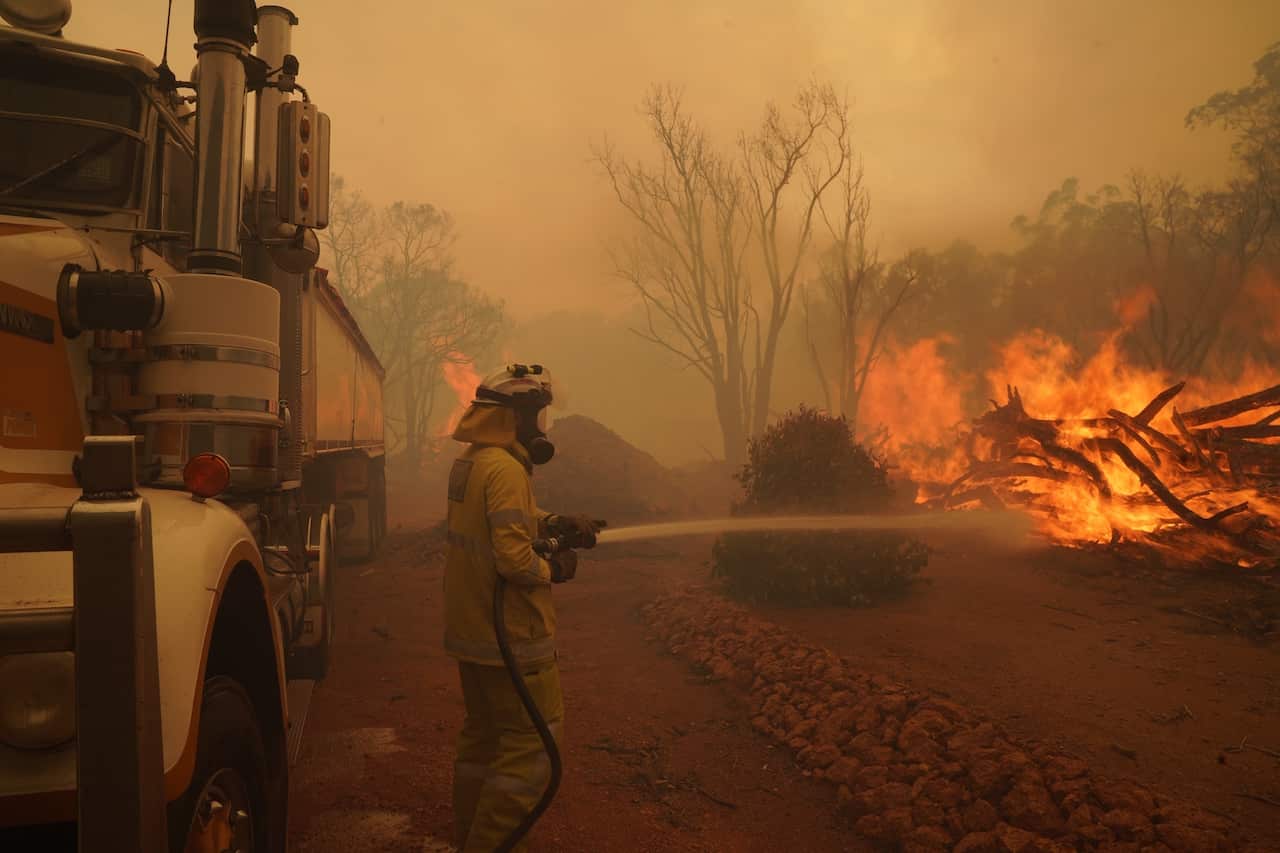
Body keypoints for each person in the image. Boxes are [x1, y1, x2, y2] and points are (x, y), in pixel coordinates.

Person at [443, 363, 598, 852]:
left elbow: (509, 522)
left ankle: (469, 838)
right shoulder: (506, 468)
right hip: (514, 637)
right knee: (530, 751)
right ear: (515, 417)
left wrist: (555, 522)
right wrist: (555, 569)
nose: (541, 429)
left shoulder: (476, 461)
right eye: (536, 418)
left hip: (475, 636)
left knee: (485, 745)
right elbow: (513, 559)